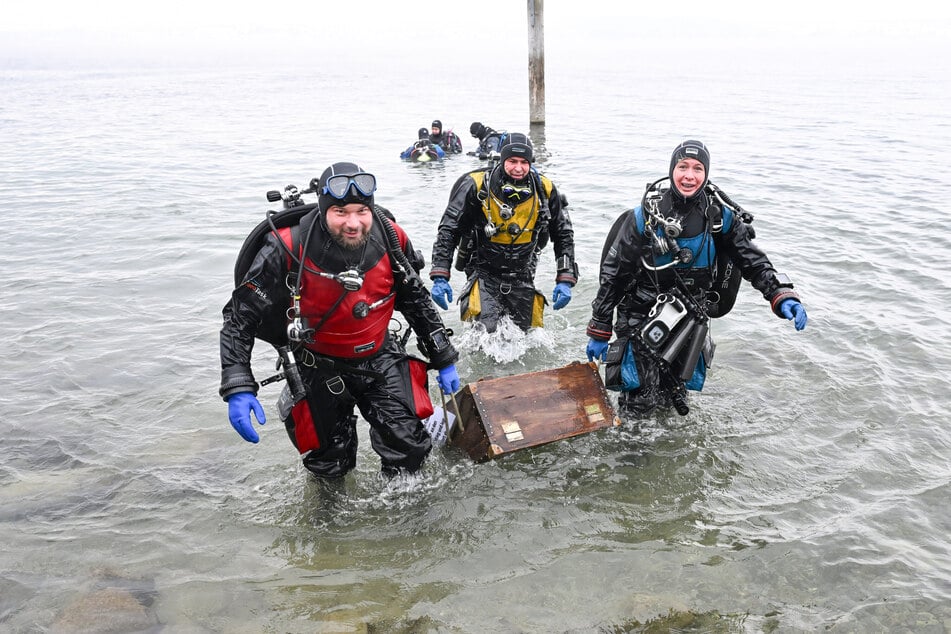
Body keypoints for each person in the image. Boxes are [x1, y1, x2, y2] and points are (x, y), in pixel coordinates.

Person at [219, 162, 461, 479]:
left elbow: (415, 299)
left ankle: (405, 507)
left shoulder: (391, 236)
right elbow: (239, 318)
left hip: (380, 356)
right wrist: (238, 384)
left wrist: (443, 357)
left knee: (411, 450)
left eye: (362, 211)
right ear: (323, 210)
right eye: (340, 212)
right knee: (328, 464)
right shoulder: (286, 247)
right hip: (317, 364)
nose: (353, 223)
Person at [585, 140, 808, 417]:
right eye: (683, 167)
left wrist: (780, 294)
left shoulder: (720, 219)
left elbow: (751, 260)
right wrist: (599, 328)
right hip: (640, 319)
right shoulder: (645, 217)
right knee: (638, 406)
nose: (689, 175)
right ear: (672, 169)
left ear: (706, 173)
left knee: (675, 398)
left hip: (690, 321)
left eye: (697, 168)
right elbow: (613, 276)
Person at [429, 132, 578, 333]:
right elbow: (449, 230)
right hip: (483, 271)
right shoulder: (475, 185)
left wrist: (565, 277)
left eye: (524, 162)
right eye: (512, 161)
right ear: (502, 159)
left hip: (523, 273)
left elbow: (563, 234)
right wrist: (440, 274)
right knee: (485, 334)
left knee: (525, 337)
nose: (518, 168)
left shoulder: (545, 189)